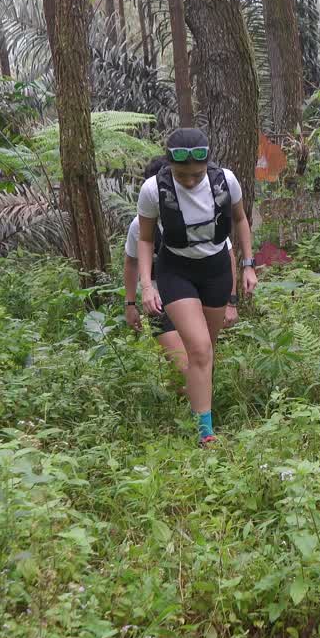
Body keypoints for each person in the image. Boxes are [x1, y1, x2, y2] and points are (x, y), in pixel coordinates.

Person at [137, 128, 258, 445]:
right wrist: (147, 287)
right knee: (200, 348)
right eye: (182, 175)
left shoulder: (226, 181)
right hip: (176, 270)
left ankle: (195, 404)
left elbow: (241, 220)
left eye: (196, 174)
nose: (190, 181)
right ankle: (206, 433)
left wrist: (248, 265)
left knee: (206, 352)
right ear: (170, 166)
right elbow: (146, 239)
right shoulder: (154, 190)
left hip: (216, 269)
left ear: (207, 165)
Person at [123, 158, 240, 377]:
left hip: (200, 293)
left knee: (202, 357)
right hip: (159, 301)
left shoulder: (202, 215)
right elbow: (131, 262)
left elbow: (228, 254)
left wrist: (231, 301)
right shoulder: (140, 227)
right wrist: (130, 303)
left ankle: (199, 406)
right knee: (181, 364)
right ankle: (194, 405)